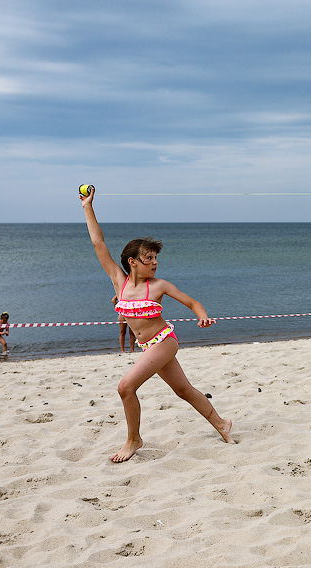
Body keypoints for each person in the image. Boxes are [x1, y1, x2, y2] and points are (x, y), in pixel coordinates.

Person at [80, 187, 233, 462]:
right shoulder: (119, 281)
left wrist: (202, 315)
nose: (154, 262)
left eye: (155, 258)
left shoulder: (159, 286)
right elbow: (98, 245)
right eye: (148, 258)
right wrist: (87, 207)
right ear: (132, 262)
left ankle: (133, 439)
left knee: (125, 387)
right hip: (147, 346)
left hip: (164, 341)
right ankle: (222, 423)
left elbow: (192, 302)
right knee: (183, 390)